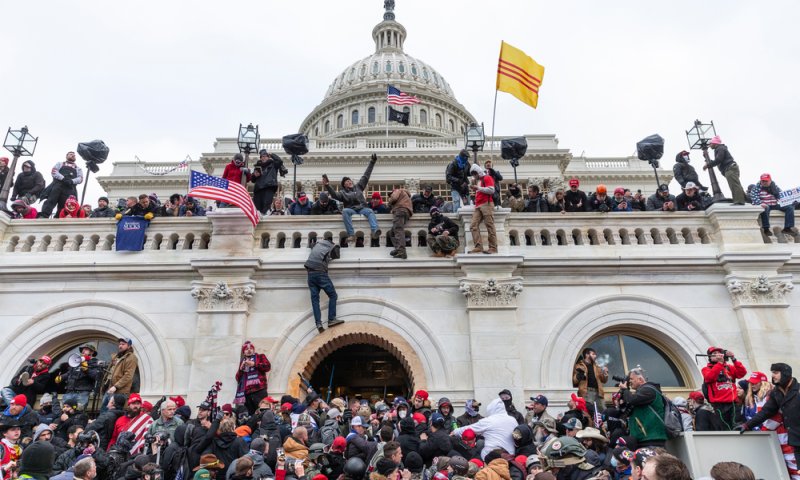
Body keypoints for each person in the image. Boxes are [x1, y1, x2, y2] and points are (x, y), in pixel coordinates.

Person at [740, 364, 800, 463]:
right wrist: (747, 425)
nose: (772, 375)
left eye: (776, 373)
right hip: (795, 441)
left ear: (785, 374)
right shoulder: (776, 392)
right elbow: (766, 412)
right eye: (772, 373)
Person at [323, 154, 382, 245]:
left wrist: (372, 162)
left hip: (362, 208)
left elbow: (366, 176)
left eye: (350, 180)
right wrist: (327, 185)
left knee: (370, 211)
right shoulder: (342, 193)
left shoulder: (358, 187)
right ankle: (351, 234)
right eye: (347, 181)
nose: (349, 182)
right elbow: (334, 195)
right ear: (344, 185)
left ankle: (375, 230)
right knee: (345, 211)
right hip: (351, 209)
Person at [452, 398, 517, 458]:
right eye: (474, 406)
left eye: (477, 406)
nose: (476, 408)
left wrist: (455, 432)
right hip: (511, 454)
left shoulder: (488, 421)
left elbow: (470, 429)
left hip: (491, 456)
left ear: (491, 409)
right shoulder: (513, 420)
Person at [619, 367, 668, 448]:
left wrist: (625, 390)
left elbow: (632, 400)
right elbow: (625, 409)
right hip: (644, 438)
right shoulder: (642, 392)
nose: (629, 381)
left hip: (652, 438)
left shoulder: (649, 390)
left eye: (631, 379)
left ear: (640, 379)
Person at [304, 239, 344, 333]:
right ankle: (331, 319)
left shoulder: (317, 244)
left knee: (315, 300)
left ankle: (318, 323)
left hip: (310, 274)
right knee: (333, 295)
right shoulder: (332, 246)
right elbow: (337, 255)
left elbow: (311, 245)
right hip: (320, 273)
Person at [702, 346, 747, 430]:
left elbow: (742, 373)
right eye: (714, 354)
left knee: (737, 427)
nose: (717, 355)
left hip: (733, 403)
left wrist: (733, 359)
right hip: (719, 405)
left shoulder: (729, 367)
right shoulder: (706, 369)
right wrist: (719, 364)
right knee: (725, 428)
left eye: (719, 353)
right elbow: (709, 378)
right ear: (710, 357)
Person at [703, 136, 746, 205]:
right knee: (735, 184)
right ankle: (745, 199)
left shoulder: (720, 148)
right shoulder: (720, 148)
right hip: (730, 168)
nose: (709, 145)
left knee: (734, 185)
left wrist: (708, 165)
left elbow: (719, 160)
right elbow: (719, 160)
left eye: (710, 143)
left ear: (715, 143)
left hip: (730, 169)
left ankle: (739, 201)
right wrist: (708, 159)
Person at [40, 152, 84, 218]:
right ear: (66, 156)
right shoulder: (60, 164)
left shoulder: (78, 168)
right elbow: (54, 171)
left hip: (70, 188)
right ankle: (44, 216)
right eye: (71, 154)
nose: (73, 155)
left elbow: (80, 178)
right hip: (57, 186)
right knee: (51, 201)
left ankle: (59, 217)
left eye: (74, 155)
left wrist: (71, 181)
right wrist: (63, 178)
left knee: (65, 204)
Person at [234, 341, 272, 415]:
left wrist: (255, 364)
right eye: (246, 349)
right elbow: (238, 378)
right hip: (247, 393)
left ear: (254, 350)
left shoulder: (260, 356)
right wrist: (241, 370)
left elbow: (267, 367)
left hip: (259, 390)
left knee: (262, 412)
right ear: (244, 353)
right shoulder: (243, 362)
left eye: (251, 348)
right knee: (250, 414)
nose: (249, 350)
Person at [468, 164, 497, 254]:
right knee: (473, 225)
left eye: (474, 174)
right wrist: (476, 188)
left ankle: (493, 248)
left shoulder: (487, 178)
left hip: (487, 204)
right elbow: (481, 191)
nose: (474, 176)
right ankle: (478, 246)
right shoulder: (479, 181)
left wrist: (478, 188)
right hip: (478, 205)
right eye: (473, 174)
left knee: (490, 225)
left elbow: (492, 190)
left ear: (478, 172)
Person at [62, 344, 102, 411]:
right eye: (82, 349)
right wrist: (61, 377)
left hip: (82, 392)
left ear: (92, 352)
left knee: (79, 411)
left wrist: (87, 370)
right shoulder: (77, 361)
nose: (83, 351)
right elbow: (69, 373)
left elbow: (96, 376)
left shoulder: (95, 363)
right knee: (65, 411)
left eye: (86, 349)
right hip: (70, 390)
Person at [103, 338, 138, 410]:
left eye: (123, 344)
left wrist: (116, 386)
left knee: (113, 414)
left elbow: (128, 376)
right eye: (119, 344)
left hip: (120, 391)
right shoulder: (116, 356)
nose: (120, 346)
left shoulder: (131, 358)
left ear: (129, 346)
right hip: (109, 389)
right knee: (104, 412)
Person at [251, 150, 287, 215]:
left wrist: (271, 154)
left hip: (269, 187)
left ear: (268, 157)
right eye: (261, 157)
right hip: (258, 189)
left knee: (266, 206)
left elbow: (280, 161)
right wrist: (254, 175)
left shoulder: (273, 164)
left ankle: (264, 219)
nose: (263, 158)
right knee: (257, 208)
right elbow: (252, 180)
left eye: (265, 156)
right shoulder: (258, 166)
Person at [388, 186, 413, 259]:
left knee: (398, 230)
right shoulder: (405, 196)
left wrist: (389, 203)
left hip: (400, 210)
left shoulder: (398, 191)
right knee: (392, 232)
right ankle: (398, 249)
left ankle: (401, 251)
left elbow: (394, 198)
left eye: (391, 194)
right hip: (405, 212)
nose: (390, 196)